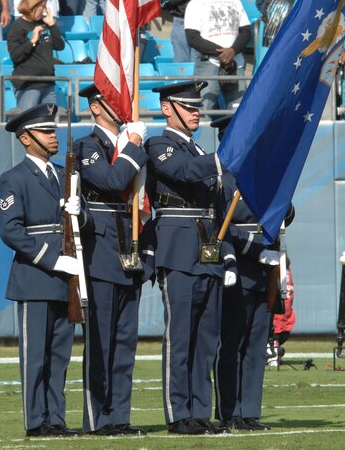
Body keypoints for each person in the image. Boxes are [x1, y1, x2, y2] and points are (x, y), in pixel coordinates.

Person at [145, 81, 237, 435]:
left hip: (208, 251)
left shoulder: (198, 149)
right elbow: (185, 172)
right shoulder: (160, 145)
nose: (196, 109)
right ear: (168, 109)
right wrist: (227, 154)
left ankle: (200, 411)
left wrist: (226, 254)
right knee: (180, 335)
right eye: (187, 105)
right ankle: (178, 413)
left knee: (206, 338)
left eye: (198, 104)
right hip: (179, 248)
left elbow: (218, 207)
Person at [0, 103, 90, 437]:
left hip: (65, 278)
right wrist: (51, 259)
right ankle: (37, 422)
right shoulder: (15, 178)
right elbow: (11, 230)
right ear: (26, 139)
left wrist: (79, 211)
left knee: (59, 356)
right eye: (46, 132)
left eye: (53, 131)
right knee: (35, 356)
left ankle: (57, 419)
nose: (53, 137)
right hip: (36, 276)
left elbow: (83, 224)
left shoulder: (65, 175)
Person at [73, 83, 151, 436]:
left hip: (128, 252)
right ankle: (97, 418)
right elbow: (111, 179)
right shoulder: (87, 147)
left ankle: (119, 416)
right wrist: (133, 146)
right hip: (100, 253)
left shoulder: (128, 145)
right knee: (101, 342)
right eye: (113, 100)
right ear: (96, 107)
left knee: (124, 344)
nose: (122, 105)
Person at [211, 114, 293, 431]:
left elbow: (285, 212)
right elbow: (223, 227)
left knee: (257, 344)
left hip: (265, 268)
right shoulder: (221, 179)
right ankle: (229, 411)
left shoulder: (261, 175)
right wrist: (257, 251)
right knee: (232, 342)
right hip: (238, 264)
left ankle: (249, 412)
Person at [184, 0, 251, 114]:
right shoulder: (195, 4)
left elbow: (246, 31)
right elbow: (193, 38)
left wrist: (232, 51)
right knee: (202, 112)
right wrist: (222, 53)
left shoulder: (235, 2)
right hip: (208, 64)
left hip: (236, 64)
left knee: (238, 112)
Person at [7, 0, 64, 111]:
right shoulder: (17, 27)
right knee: (28, 123)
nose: (44, 11)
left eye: (45, 7)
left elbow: (60, 46)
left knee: (50, 123)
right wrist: (32, 41)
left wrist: (52, 25)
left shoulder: (44, 24)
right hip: (28, 84)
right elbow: (16, 55)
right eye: (41, 7)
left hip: (48, 82)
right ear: (31, 6)